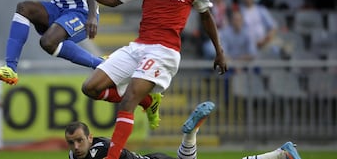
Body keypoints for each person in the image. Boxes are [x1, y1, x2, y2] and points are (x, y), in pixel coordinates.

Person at [73, 0, 228, 159]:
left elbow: (206, 16)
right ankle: (148, 101)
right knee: (90, 88)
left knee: (128, 102)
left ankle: (113, 156)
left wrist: (219, 51)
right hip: (138, 47)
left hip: (164, 52)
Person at [64, 101, 302, 159]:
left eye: (79, 141)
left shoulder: (99, 150)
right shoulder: (76, 155)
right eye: (71, 143)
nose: (76, 147)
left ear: (90, 137)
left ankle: (282, 153)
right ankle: (282, 153)